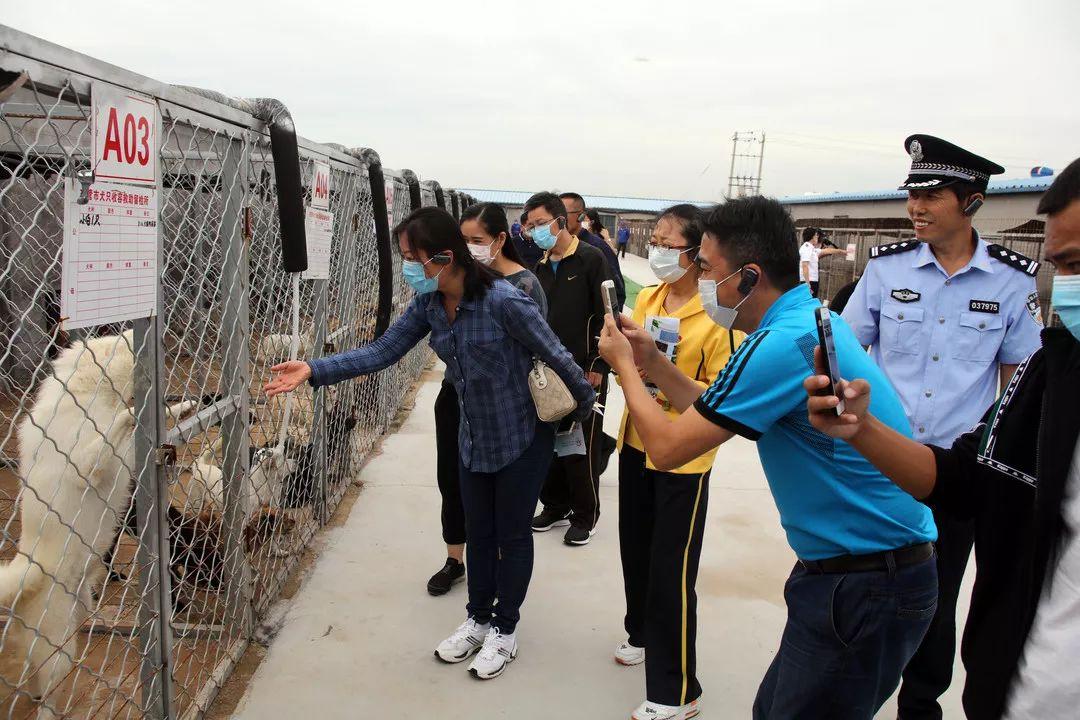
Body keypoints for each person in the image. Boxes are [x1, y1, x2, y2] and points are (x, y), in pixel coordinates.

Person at [598, 195, 938, 720]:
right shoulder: (802, 319)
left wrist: (622, 366)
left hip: (867, 581)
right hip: (855, 575)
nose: (701, 278)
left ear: (749, 277)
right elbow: (716, 409)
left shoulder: (781, 342)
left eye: (707, 268)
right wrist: (651, 363)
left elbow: (666, 449)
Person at [264, 207, 595, 680]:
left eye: (411, 259)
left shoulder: (505, 301)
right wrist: (314, 369)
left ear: (445, 256)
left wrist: (579, 419)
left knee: (511, 535)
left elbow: (557, 355)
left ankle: (505, 630)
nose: (407, 269)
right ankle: (478, 619)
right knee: (477, 532)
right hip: (473, 438)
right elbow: (383, 350)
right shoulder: (428, 305)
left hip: (522, 437)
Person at [803, 155, 1080, 720]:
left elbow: (1018, 381)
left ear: (971, 202)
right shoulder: (886, 270)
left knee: (940, 597)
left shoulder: (1011, 280)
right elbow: (847, 351)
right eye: (913, 195)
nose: (916, 207)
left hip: (962, 471)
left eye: (931, 196)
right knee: (863, 590)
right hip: (887, 466)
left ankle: (920, 706)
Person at [613, 204, 742, 718]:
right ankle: (641, 632)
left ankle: (678, 690)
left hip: (683, 457)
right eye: (656, 240)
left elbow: (716, 399)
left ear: (695, 255)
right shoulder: (647, 296)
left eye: (669, 243)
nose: (658, 250)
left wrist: (650, 366)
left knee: (672, 570)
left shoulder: (717, 316)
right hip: (637, 438)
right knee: (635, 550)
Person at [424, 203, 550, 597]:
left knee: (504, 513)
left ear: (499, 240)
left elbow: (545, 351)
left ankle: (500, 582)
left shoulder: (520, 288)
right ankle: (455, 558)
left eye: (476, 241)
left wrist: (575, 407)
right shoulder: (449, 285)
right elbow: (389, 345)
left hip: (507, 407)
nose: (467, 248)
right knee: (453, 478)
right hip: (458, 396)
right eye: (462, 240)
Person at [523, 191, 612, 546]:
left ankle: (585, 514)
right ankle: (555, 505)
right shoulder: (541, 266)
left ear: (561, 221)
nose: (536, 231)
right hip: (547, 370)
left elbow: (609, 313)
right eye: (530, 226)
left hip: (584, 369)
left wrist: (599, 363)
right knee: (550, 440)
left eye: (541, 223)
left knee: (580, 444)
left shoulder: (592, 259)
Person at [561, 192, 626, 308]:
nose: (559, 218)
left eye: (564, 213)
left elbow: (617, 292)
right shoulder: (553, 249)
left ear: (581, 216)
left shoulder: (598, 248)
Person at [798, 227, 845, 298]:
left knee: (812, 301)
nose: (817, 237)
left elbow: (826, 251)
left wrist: (842, 251)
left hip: (812, 281)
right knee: (808, 302)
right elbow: (805, 266)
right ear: (812, 236)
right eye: (816, 235)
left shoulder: (812, 249)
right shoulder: (806, 248)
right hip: (808, 281)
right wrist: (808, 285)